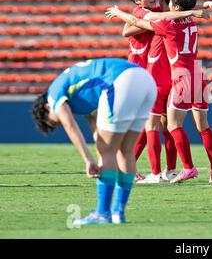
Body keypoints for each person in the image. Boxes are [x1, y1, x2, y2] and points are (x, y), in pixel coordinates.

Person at [106, 0, 212, 184]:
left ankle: (184, 168)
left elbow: (133, 24)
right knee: (202, 126)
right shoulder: (191, 20)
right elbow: (180, 11)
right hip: (197, 74)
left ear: (173, 5)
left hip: (177, 77)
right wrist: (202, 6)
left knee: (168, 125)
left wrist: (118, 12)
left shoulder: (167, 24)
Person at [31, 58, 157, 225]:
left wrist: (88, 159)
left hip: (121, 81)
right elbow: (95, 124)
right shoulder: (81, 97)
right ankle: (118, 212)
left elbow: (70, 125)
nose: (59, 122)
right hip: (146, 80)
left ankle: (102, 214)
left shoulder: (54, 95)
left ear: (47, 107)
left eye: (54, 121)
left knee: (107, 151)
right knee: (125, 151)